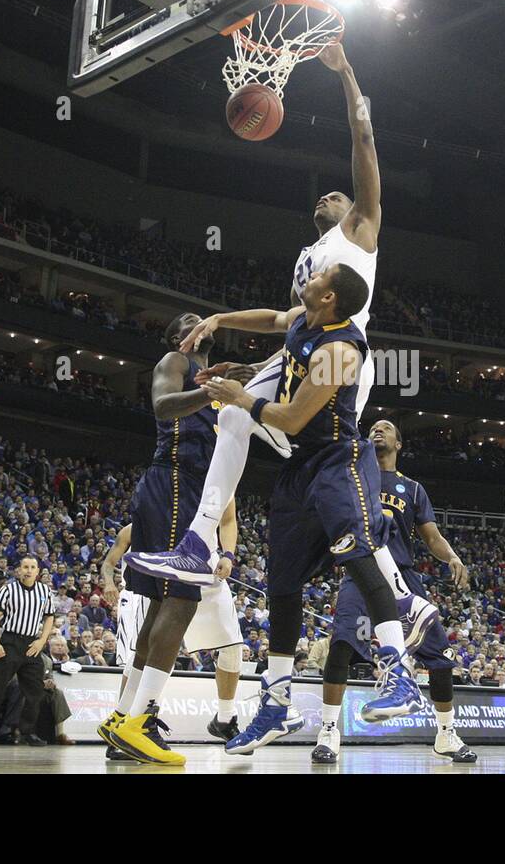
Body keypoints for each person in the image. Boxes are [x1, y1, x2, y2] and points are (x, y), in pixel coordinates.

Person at [132, 42, 437, 648]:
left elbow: (365, 146)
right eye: (324, 196)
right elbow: (284, 318)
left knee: (329, 463)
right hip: (304, 354)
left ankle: (396, 590)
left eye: (339, 195)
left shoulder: (360, 233)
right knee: (239, 420)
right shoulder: (310, 260)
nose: (329, 196)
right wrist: (223, 321)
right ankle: (197, 543)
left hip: (341, 362)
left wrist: (347, 74)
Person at [198, 264, 426, 755]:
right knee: (280, 584)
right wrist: (220, 321)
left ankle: (399, 673)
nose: (312, 272)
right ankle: (277, 704)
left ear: (330, 298)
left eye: (322, 275)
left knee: (359, 559)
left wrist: (241, 397)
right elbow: (274, 320)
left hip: (338, 462)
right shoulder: (307, 317)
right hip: (300, 469)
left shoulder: (340, 351)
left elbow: (295, 418)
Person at [99, 314, 249, 766]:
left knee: (164, 609)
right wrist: (212, 390)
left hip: (188, 489)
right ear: (176, 336)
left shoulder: (212, 374)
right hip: (175, 483)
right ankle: (137, 722)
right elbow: (163, 406)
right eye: (186, 321)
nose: (198, 321)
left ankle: (122, 716)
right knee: (180, 602)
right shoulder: (173, 360)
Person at [312, 420, 476, 764]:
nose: (378, 431)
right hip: (360, 574)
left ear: (399, 444)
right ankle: (328, 729)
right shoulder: (354, 479)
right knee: (341, 647)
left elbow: (432, 537)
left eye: (387, 428)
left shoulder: (413, 489)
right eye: (373, 428)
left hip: (404, 577)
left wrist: (452, 556)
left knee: (441, 659)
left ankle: (446, 734)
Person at [0, 557, 55, 746]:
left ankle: (27, 732)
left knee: (36, 691)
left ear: (37, 571)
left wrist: (42, 641)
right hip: (10, 641)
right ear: (19, 570)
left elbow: (49, 617)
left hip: (32, 644)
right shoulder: (8, 589)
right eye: (25, 566)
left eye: (32, 567)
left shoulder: (45, 591)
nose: (28, 570)